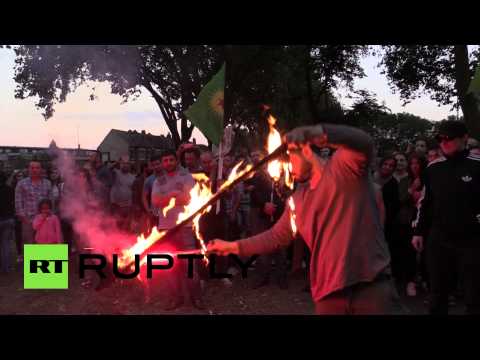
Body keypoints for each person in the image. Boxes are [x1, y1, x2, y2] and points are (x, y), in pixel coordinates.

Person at [208, 123, 397, 315]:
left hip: (370, 286)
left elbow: (363, 142)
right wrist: (230, 246)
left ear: (306, 151)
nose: (287, 167)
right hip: (328, 293)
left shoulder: (344, 169)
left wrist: (316, 133)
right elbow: (276, 236)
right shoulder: (297, 199)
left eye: (290, 158)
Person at [412, 120, 480, 315]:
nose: (444, 142)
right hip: (439, 239)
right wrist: (418, 232)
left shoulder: (476, 165)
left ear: (464, 138)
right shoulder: (433, 168)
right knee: (437, 293)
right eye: (440, 138)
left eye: (449, 138)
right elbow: (425, 202)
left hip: (472, 240)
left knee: (474, 294)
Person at [151, 149, 203, 310]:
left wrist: (166, 198)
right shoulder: (157, 181)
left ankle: (196, 297)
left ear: (177, 161)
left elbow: (188, 198)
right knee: (169, 266)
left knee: (190, 266)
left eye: (171, 160)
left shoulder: (187, 177)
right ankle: (175, 298)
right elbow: (155, 200)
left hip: (185, 227)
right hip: (165, 229)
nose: (168, 163)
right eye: (165, 160)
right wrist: (173, 196)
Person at [245, 148, 288, 289]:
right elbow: (251, 191)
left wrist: (278, 202)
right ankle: (262, 276)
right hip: (261, 213)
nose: (256, 157)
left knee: (280, 245)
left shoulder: (281, 172)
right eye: (253, 155)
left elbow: (287, 192)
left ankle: (281, 277)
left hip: (279, 214)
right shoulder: (253, 174)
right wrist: (264, 204)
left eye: (258, 155)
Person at [15, 161, 52, 257]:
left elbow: (51, 202)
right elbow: (18, 203)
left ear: (41, 169)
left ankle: (44, 269)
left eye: (37, 168)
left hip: (45, 220)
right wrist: (25, 219)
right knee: (29, 245)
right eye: (32, 168)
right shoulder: (21, 184)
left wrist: (49, 218)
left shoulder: (48, 183)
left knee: (45, 243)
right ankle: (30, 269)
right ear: (28, 169)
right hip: (28, 220)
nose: (34, 170)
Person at [110, 156, 135, 232]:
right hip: (117, 206)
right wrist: (118, 162)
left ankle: (126, 242)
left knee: (127, 227)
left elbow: (134, 192)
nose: (125, 165)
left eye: (127, 164)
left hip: (128, 206)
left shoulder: (133, 177)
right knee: (117, 227)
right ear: (120, 164)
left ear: (130, 165)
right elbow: (108, 168)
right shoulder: (116, 173)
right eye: (123, 163)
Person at [143, 155, 163, 233]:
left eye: (158, 164)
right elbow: (144, 196)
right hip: (154, 213)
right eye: (153, 165)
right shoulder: (149, 180)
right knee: (155, 234)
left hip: (168, 213)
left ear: (161, 164)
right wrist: (148, 210)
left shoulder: (169, 176)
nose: (156, 166)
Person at [0, 171, 15, 273]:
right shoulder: (10, 189)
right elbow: (13, 203)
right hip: (8, 218)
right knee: (6, 245)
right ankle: (7, 268)